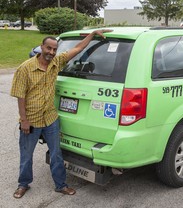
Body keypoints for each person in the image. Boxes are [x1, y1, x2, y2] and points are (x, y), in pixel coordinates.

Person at [10, 29, 112, 199]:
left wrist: (93, 34)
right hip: (31, 120)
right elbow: (20, 96)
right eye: (48, 48)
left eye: (54, 49)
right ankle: (23, 184)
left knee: (57, 154)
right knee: (26, 156)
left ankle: (61, 185)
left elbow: (78, 48)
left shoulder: (56, 63)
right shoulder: (25, 68)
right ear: (41, 47)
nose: (51, 52)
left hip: (50, 119)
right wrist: (24, 120)